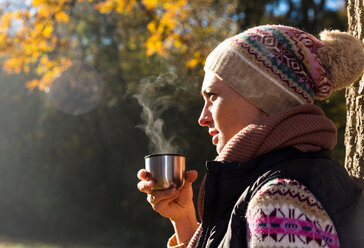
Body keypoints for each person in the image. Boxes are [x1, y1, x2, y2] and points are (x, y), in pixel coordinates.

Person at [137, 25, 364, 248]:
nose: (202, 117)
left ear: (263, 97)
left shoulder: (279, 202)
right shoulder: (285, 183)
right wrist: (184, 219)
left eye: (213, 96)